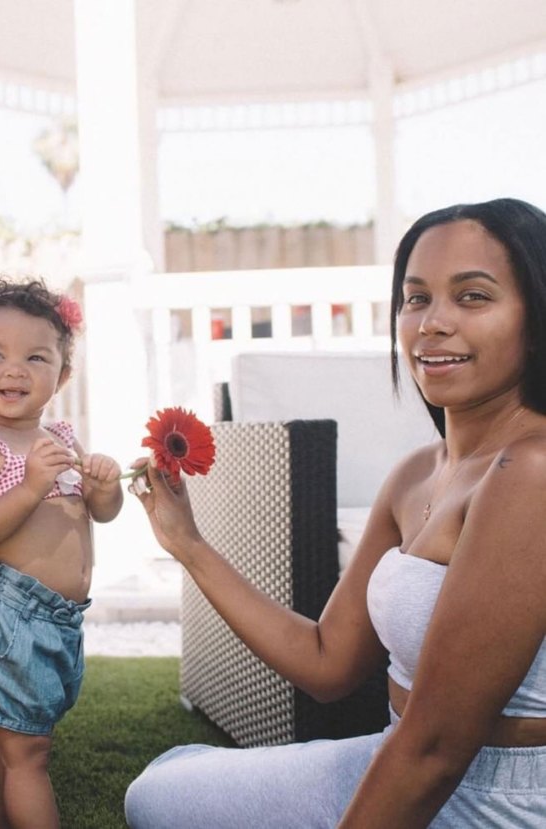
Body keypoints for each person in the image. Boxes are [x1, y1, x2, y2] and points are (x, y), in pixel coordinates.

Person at [125, 197, 546, 827]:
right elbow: (327, 662)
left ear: (535, 319)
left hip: (493, 798)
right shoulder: (414, 476)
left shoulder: (533, 471)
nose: (432, 323)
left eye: (474, 296)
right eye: (416, 298)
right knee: (158, 788)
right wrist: (188, 544)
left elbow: (435, 751)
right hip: (394, 753)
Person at [0, 276, 123, 828]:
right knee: (28, 756)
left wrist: (104, 486)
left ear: (62, 375)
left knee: (14, 744)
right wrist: (28, 488)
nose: (14, 369)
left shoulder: (62, 441)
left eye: (36, 357)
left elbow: (102, 513)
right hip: (10, 617)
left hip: (59, 620)